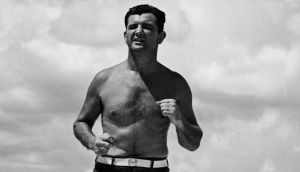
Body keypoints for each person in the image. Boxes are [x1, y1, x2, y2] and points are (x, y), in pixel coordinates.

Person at [73, 4, 203, 172]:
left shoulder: (175, 83)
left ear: (161, 36)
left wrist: (178, 120)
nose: (139, 31)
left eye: (147, 27)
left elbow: (192, 144)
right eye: (133, 26)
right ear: (125, 35)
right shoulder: (104, 79)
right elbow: (81, 123)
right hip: (108, 167)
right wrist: (92, 142)